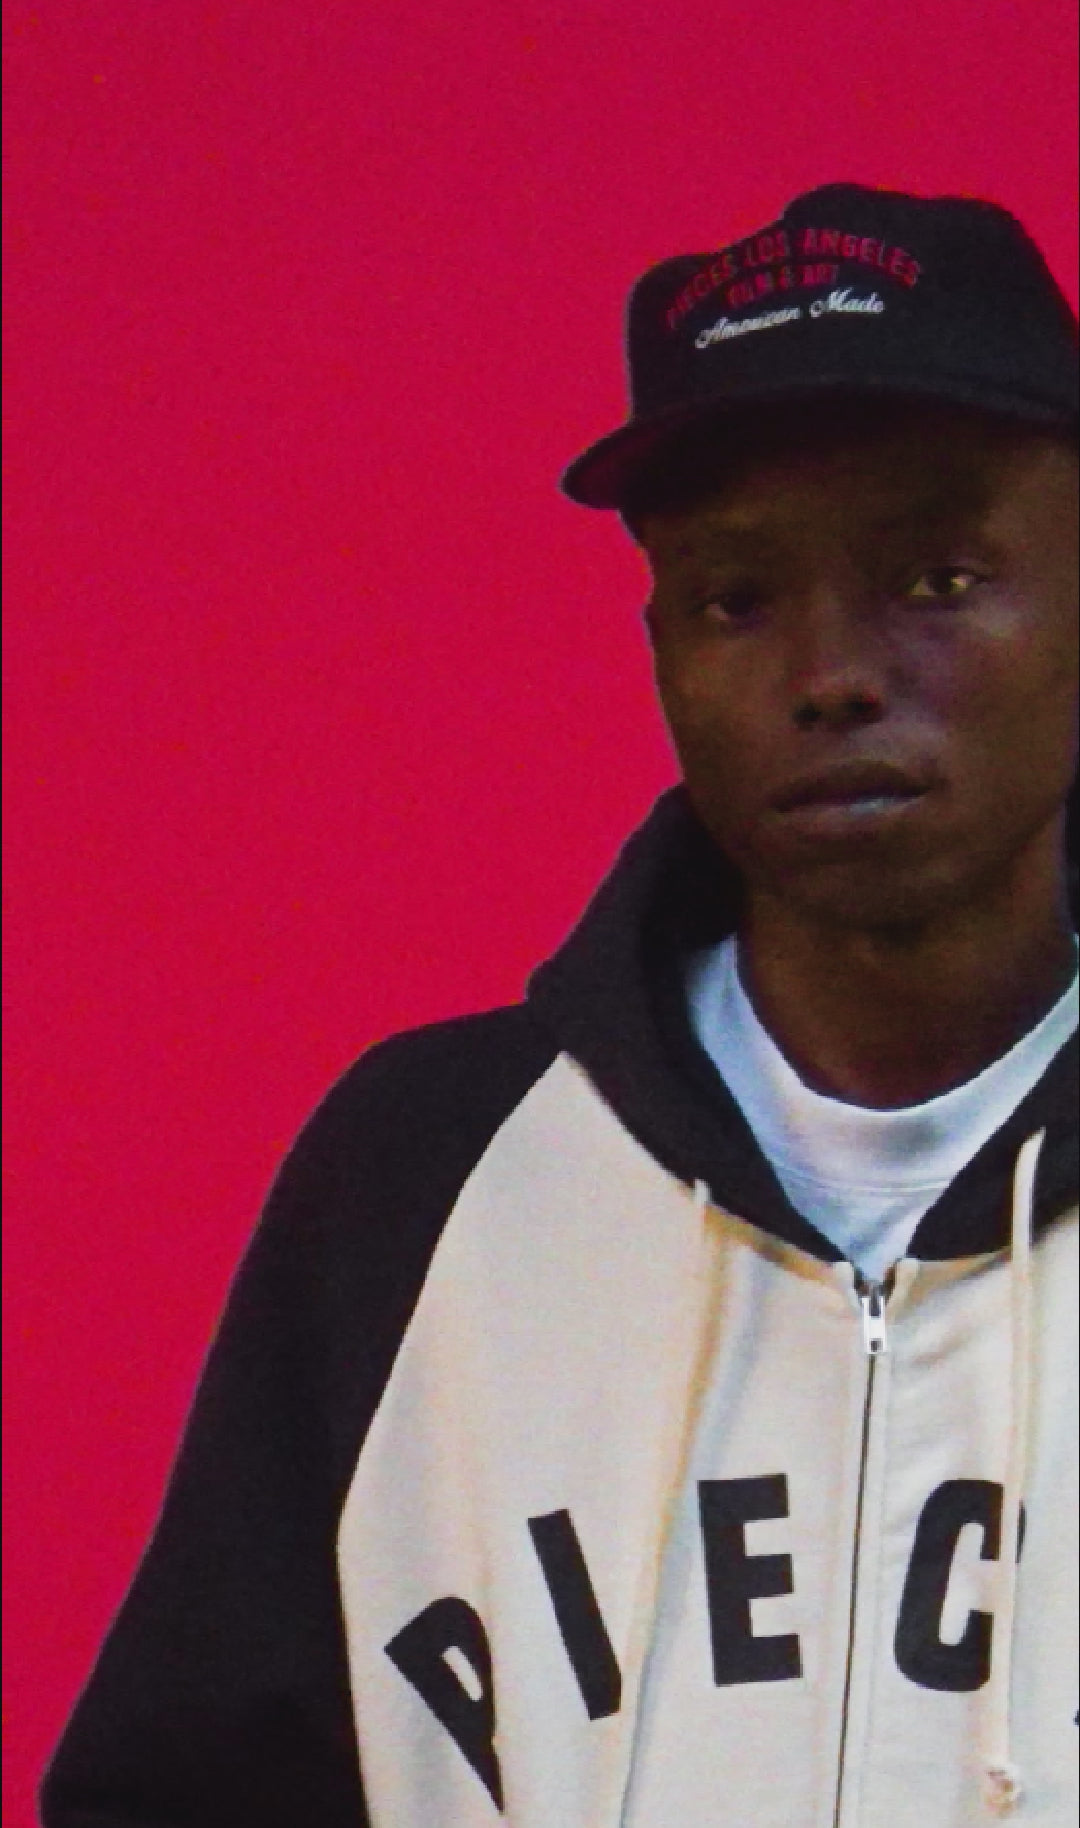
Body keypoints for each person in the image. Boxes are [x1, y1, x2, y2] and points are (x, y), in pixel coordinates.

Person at [41, 181, 1077, 1826]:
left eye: (939, 578)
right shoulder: (424, 1178)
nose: (832, 672)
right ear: (659, 642)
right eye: (738, 597)